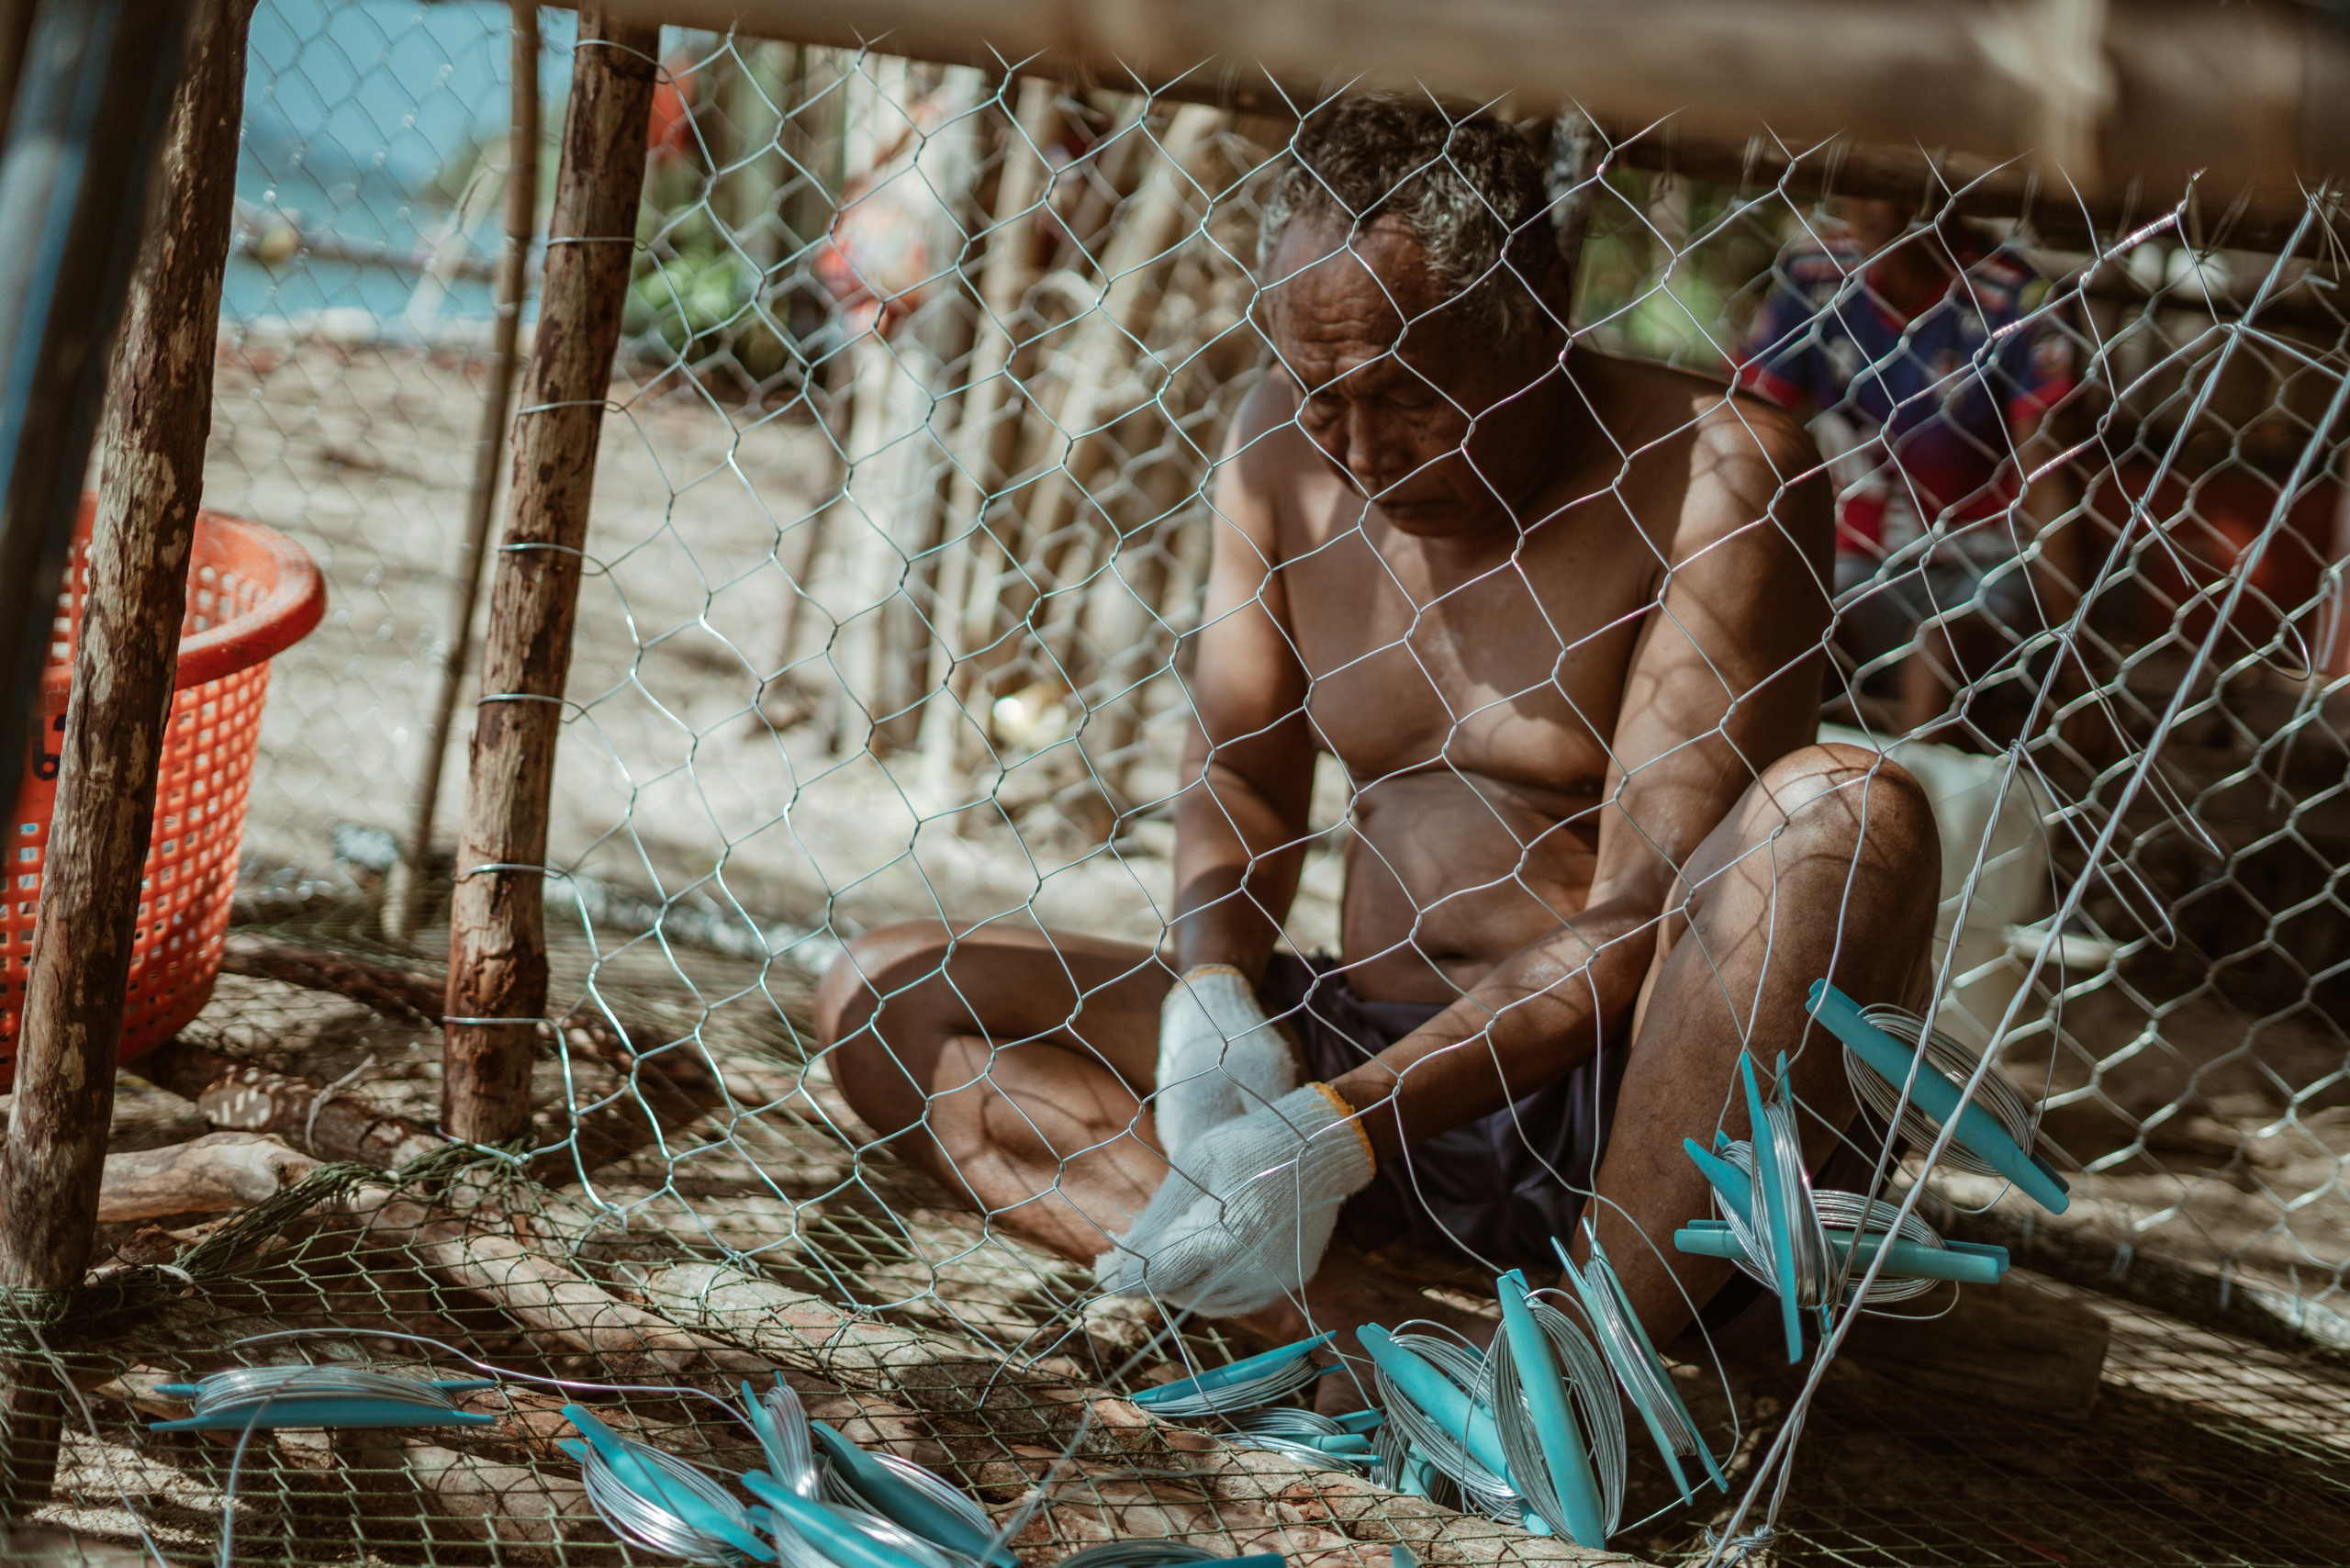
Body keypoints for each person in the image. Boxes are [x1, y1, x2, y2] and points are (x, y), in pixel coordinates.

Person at [814, 98, 1941, 1382]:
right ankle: (1364, 1336)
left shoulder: (1718, 470)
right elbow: (1243, 769)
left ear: (1540, 320)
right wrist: (1215, 1004)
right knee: (882, 993)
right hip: (1359, 1047)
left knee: (1843, 810)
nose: (1359, 451)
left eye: (1409, 397)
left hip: (1632, 1101)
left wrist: (1333, 1130)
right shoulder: (1274, 448)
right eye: (1320, 397)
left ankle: (1586, 1368)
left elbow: (1645, 913)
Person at [1738, 199, 2081, 744]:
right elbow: (1747, 430)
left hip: (1982, 563)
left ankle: (1910, 775)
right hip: (1855, 560)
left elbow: (2048, 475)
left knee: (1939, 656)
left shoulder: (2017, 298)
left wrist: (2074, 652)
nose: (1880, 206)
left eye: (1905, 187)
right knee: (1795, 644)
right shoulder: (1815, 277)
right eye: (1867, 186)